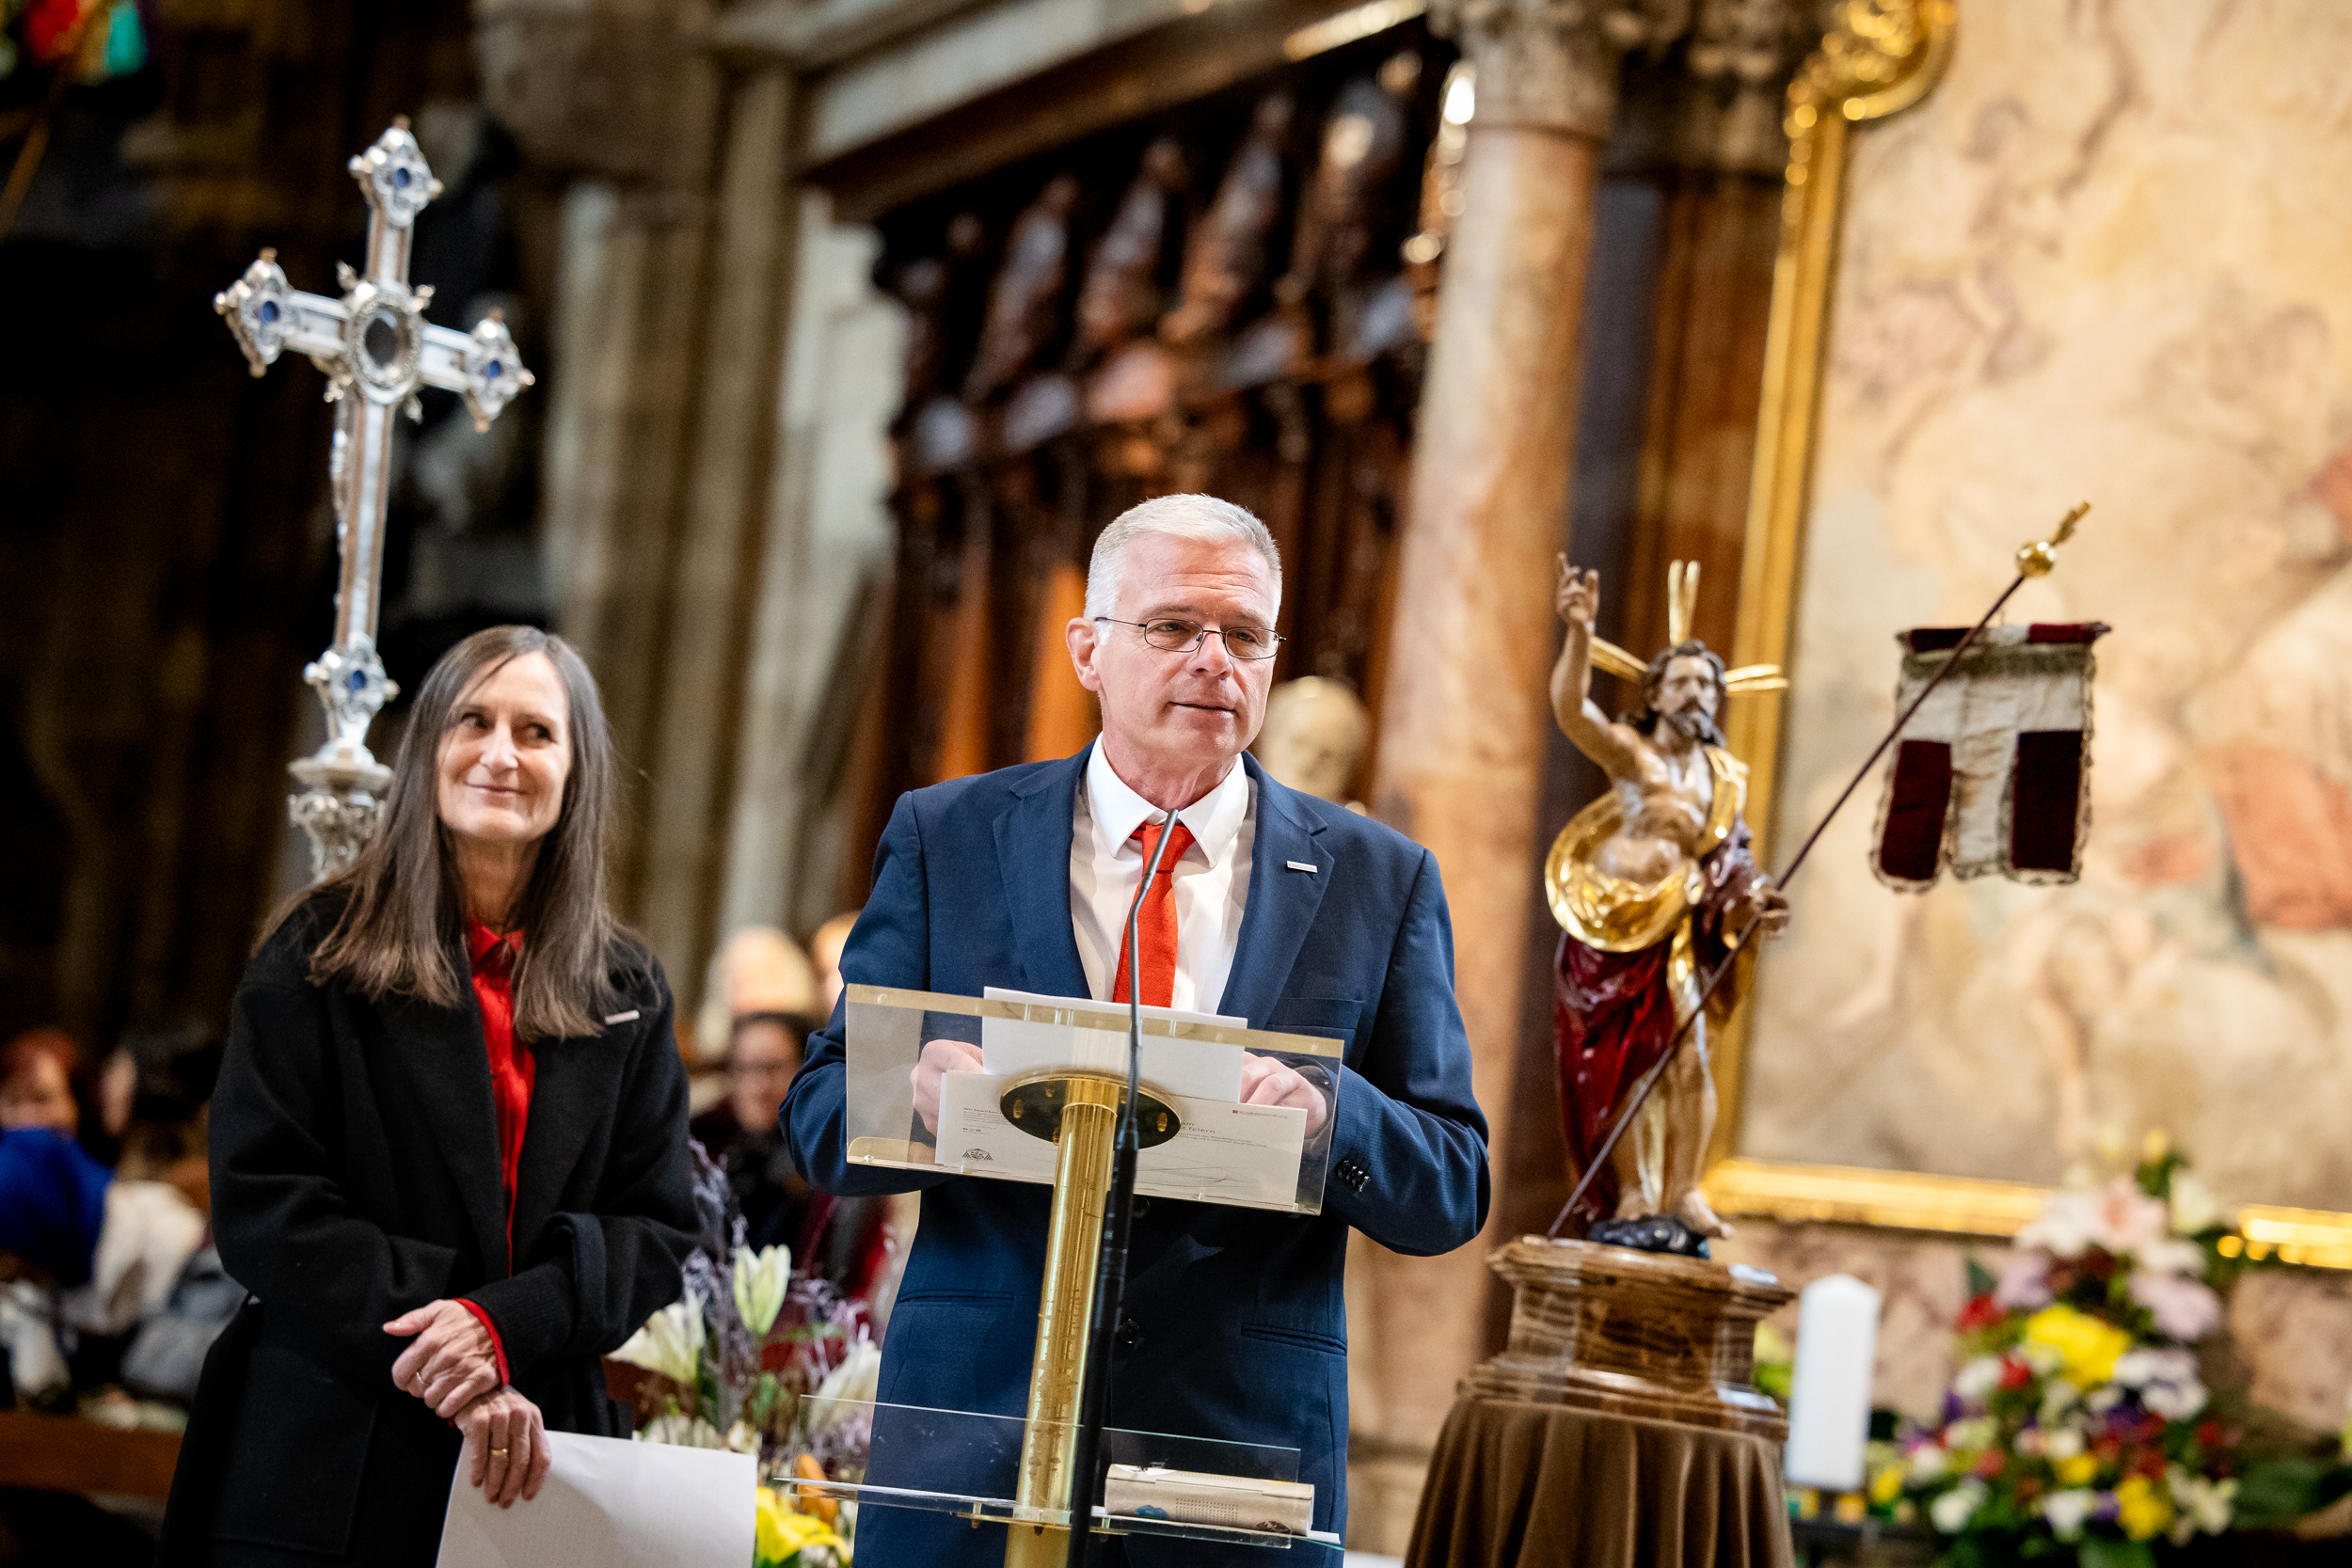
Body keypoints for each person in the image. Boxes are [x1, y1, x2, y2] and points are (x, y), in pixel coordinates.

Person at [784, 494, 1489, 1560]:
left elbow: (1453, 1182)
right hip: (974, 1440)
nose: (1214, 660)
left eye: (1245, 634)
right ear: (1088, 650)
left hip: (1232, 1457)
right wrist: (912, 1097)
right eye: (1172, 626)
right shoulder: (949, 836)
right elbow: (817, 1116)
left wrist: (1331, 1115)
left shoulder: (1375, 881)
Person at [158, 626, 699, 1567]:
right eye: (472, 721)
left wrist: (506, 1324)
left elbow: (653, 1227)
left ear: (577, 770)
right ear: (427, 748)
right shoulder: (319, 948)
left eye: (536, 731)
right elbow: (268, 1201)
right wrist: (455, 1353)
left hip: (534, 1448)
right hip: (333, 1442)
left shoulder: (628, 987)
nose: (500, 753)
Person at [1547, 561, 1788, 1250]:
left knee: (1689, 1057)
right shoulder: (1633, 755)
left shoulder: (1724, 778)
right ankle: (1634, 1191)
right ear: (1654, 695)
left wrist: (1754, 900)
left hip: (1680, 927)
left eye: (1707, 685)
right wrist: (1580, 632)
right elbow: (1572, 711)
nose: (1697, 694)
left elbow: (1730, 861)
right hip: (1616, 925)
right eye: (1682, 682)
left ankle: (1684, 1190)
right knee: (1621, 1064)